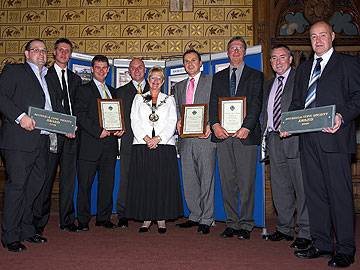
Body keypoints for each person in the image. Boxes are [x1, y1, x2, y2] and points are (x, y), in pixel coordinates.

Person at [282, 21, 360, 268]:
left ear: (333, 36)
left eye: (322, 35)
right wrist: (289, 124)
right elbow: (296, 103)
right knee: (315, 195)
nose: (317, 40)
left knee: (339, 195)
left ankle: (346, 249)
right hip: (308, 141)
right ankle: (322, 243)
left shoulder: (347, 64)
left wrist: (342, 116)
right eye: (313, 36)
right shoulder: (304, 69)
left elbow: (358, 97)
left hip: (335, 138)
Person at [0, 39, 53, 252]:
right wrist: (20, 117)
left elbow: (48, 110)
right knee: (18, 187)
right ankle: (10, 236)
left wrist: (65, 126)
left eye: (43, 50)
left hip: (41, 140)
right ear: (26, 53)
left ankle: (27, 229)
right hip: (18, 140)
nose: (40, 54)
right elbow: (1, 96)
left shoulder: (46, 77)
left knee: (34, 188)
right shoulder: (14, 71)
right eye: (36, 50)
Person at [209, 36, 263, 240]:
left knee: (246, 181)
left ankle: (247, 223)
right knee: (227, 181)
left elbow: (256, 104)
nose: (236, 51)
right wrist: (214, 125)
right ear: (228, 52)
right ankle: (232, 222)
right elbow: (213, 102)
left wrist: (247, 127)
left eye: (240, 48)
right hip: (222, 136)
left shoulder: (255, 76)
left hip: (245, 136)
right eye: (232, 48)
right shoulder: (219, 76)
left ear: (245, 52)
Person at [261, 45, 310, 249]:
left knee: (302, 187)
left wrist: (293, 126)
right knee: (281, 187)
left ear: (291, 59)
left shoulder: (301, 79)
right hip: (274, 139)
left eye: (282, 57)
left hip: (296, 139)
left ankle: (306, 231)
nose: (278, 62)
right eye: (273, 58)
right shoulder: (269, 84)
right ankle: (284, 228)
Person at [32, 38, 82, 234]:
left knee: (69, 179)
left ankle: (67, 220)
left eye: (67, 51)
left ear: (70, 55)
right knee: (47, 178)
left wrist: (74, 125)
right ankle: (38, 222)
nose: (63, 53)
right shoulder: (44, 75)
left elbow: (78, 106)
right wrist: (63, 125)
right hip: (52, 134)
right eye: (60, 50)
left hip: (72, 136)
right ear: (54, 53)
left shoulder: (76, 78)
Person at [125, 66, 183, 233]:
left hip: (164, 146)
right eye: (153, 78)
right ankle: (146, 218)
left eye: (159, 79)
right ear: (148, 80)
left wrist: (158, 138)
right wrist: (146, 138)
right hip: (142, 145)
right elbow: (133, 120)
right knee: (145, 182)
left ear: (163, 81)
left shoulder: (169, 99)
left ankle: (162, 218)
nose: (156, 81)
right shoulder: (139, 98)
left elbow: (172, 121)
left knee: (162, 183)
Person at [74, 55, 123, 231]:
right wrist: (97, 131)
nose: (101, 70)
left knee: (107, 184)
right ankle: (83, 221)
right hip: (89, 146)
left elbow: (118, 117)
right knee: (85, 185)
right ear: (92, 69)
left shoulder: (113, 91)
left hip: (109, 146)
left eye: (104, 68)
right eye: (97, 67)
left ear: (108, 70)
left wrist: (120, 129)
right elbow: (80, 115)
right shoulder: (83, 90)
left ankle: (104, 218)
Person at [173, 49, 216, 234]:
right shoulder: (179, 86)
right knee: (189, 179)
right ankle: (195, 215)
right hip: (186, 139)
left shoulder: (212, 81)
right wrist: (178, 120)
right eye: (186, 61)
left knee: (206, 179)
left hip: (205, 138)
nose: (190, 64)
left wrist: (211, 125)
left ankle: (207, 218)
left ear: (201, 63)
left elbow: (216, 106)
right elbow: (177, 109)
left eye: (193, 60)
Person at [115, 58, 149, 228]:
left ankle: (146, 212)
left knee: (147, 179)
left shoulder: (155, 90)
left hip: (149, 143)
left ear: (145, 70)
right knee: (125, 178)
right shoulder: (120, 92)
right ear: (129, 72)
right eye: (133, 68)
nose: (137, 70)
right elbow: (115, 115)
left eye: (140, 67)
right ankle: (123, 214)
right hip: (128, 141)